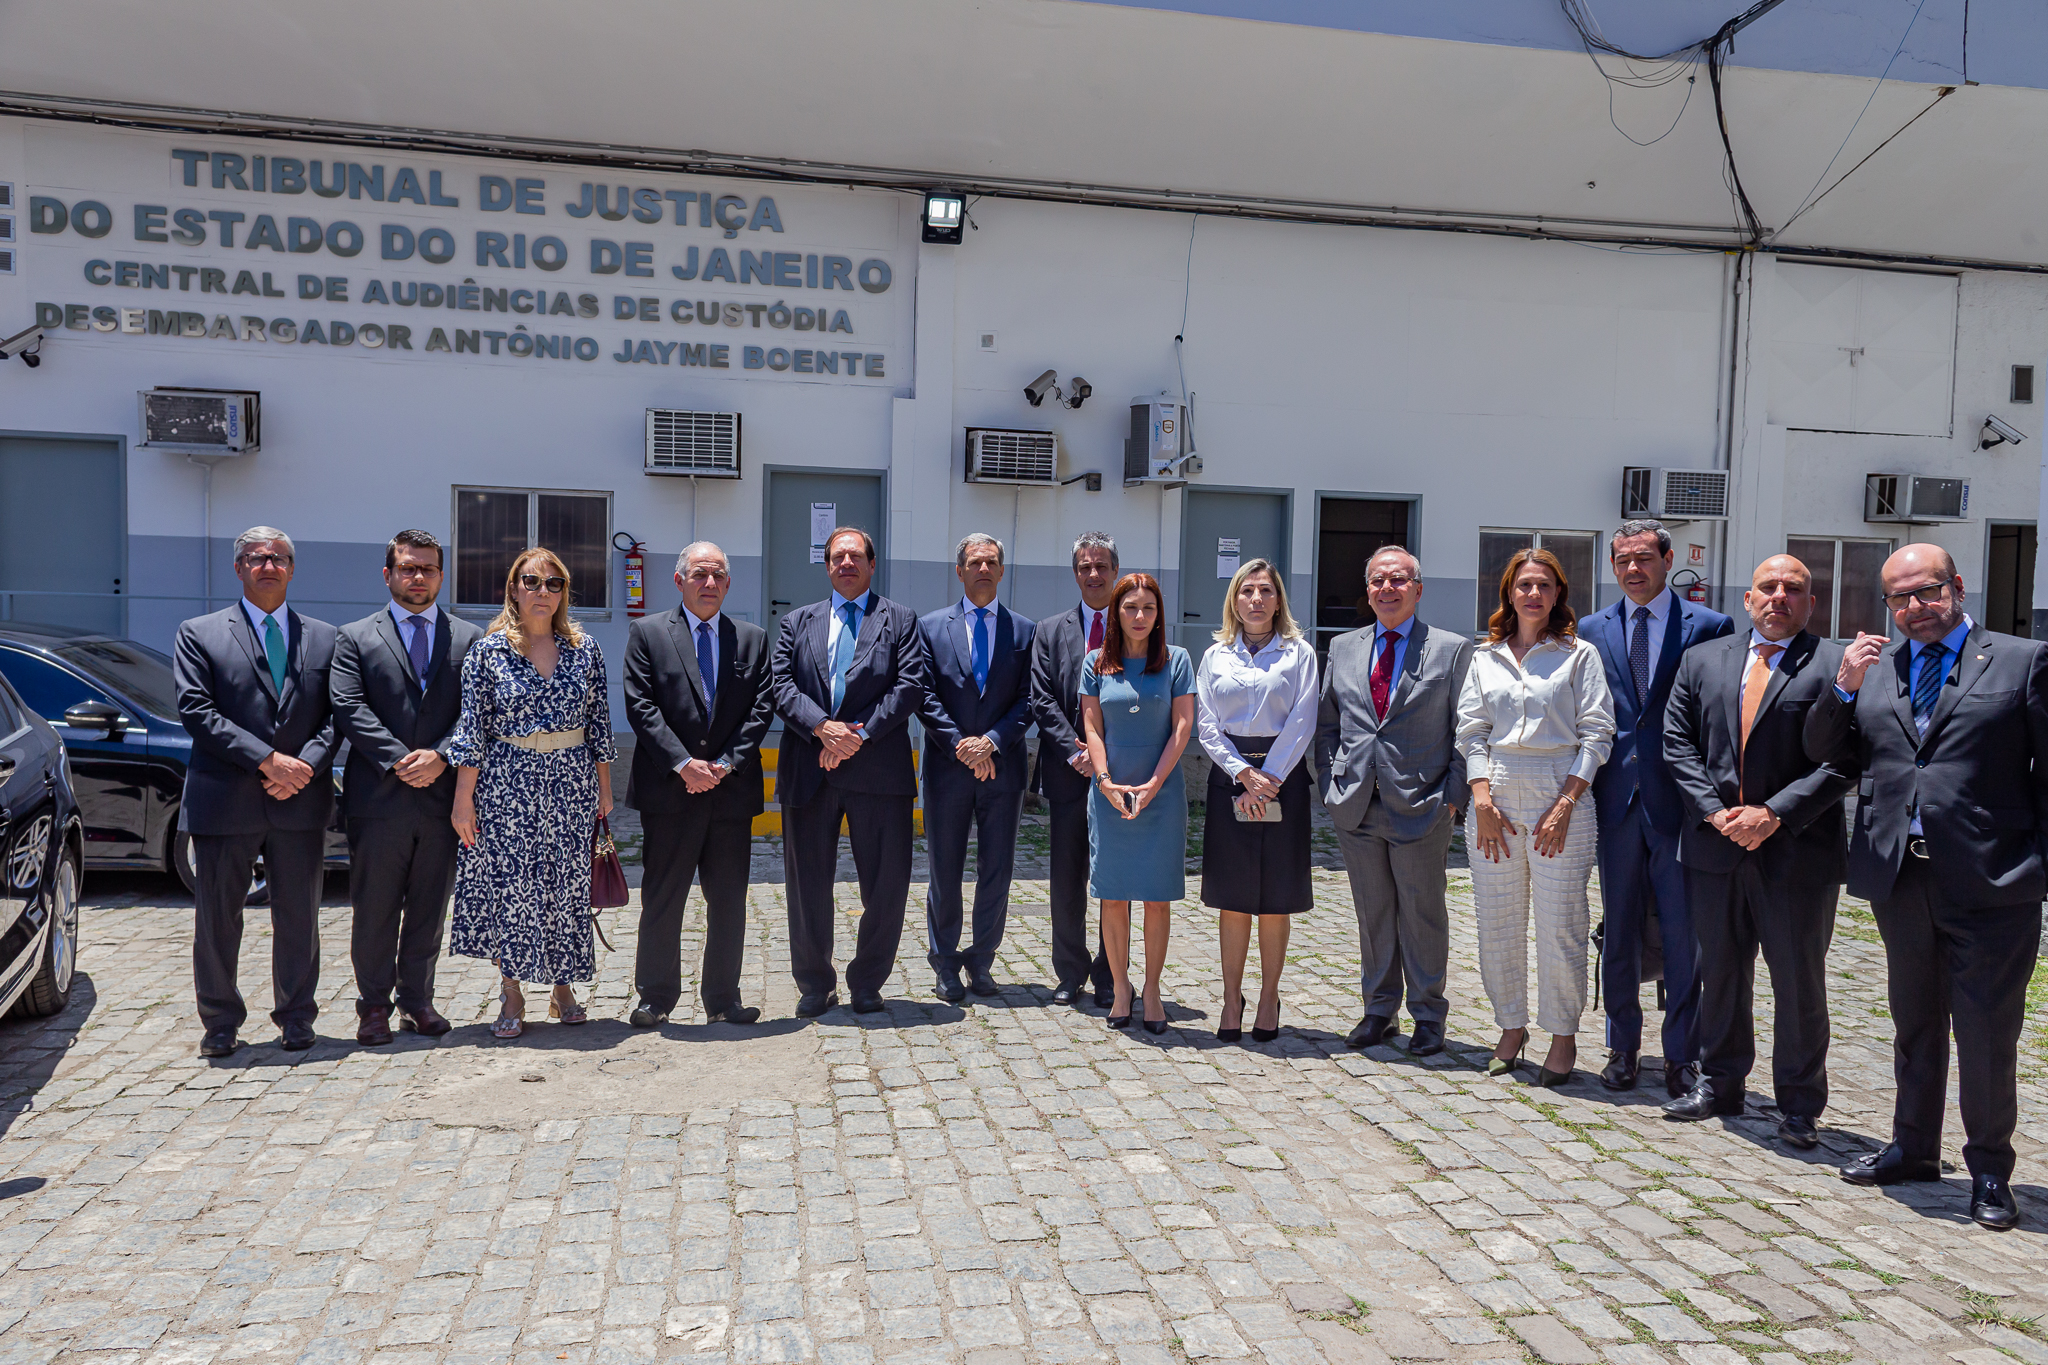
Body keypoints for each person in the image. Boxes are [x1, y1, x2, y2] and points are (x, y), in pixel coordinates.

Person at [1804, 543, 2048, 1229]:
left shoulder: (2022, 661)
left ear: (1957, 587)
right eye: (1901, 598)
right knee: (1914, 1023)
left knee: (1987, 1032)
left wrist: (2038, 867)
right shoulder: (1878, 671)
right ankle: (1912, 1146)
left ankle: (1991, 1169)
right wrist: (1844, 684)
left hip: (1992, 882)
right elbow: (1827, 750)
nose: (1916, 608)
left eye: (1928, 591)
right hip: (1901, 876)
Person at [1661, 555, 1850, 1143]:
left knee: (1797, 982)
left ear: (1810, 603)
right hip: (1715, 847)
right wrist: (1716, 814)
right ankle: (1720, 1083)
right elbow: (1676, 744)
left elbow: (1844, 758)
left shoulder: (1834, 665)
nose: (1779, 597)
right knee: (1719, 971)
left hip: (1794, 852)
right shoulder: (1702, 660)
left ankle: (1798, 1104)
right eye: (1767, 588)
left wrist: (1774, 814)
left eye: (1793, 589)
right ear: (1748, 600)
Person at [1579, 520, 1732, 1096]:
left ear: (1668, 560)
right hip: (1614, 798)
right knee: (1617, 929)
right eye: (1622, 561)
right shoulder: (1591, 629)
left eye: (1644, 557)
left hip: (1681, 803)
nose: (1633, 569)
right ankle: (1622, 1047)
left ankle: (1682, 1056)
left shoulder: (1710, 626)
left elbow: (1716, 713)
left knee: (1682, 932)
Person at [173, 527, 337, 1057]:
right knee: (218, 920)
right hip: (226, 800)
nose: (268, 565)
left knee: (299, 917)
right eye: (255, 557)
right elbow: (196, 710)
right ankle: (219, 1022)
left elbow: (340, 716)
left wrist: (304, 766)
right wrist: (267, 761)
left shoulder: (326, 638)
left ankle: (296, 1016)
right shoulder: (199, 633)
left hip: (301, 799)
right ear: (238, 568)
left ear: (292, 568)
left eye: (278, 557)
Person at [1457, 549, 1615, 1085]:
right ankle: (1509, 1025)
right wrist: (1480, 796)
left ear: (1557, 595)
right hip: (1494, 794)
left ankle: (1562, 1034)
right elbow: (1471, 731)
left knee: (1560, 925)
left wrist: (1568, 801)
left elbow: (1597, 733)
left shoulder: (1579, 655)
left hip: (1560, 791)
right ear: (1508, 591)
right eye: (1524, 584)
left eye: (1544, 585)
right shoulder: (1486, 657)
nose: (1533, 594)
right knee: (1497, 923)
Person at [446, 547, 617, 1040]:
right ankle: (512, 989)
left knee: (566, 885)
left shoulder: (586, 649)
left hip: (571, 780)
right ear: (513, 589)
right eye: (531, 582)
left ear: (564, 592)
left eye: (553, 583)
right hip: (507, 781)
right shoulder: (488, 651)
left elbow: (599, 724)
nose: (542, 592)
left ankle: (562, 986)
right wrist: (463, 800)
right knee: (515, 889)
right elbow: (472, 730)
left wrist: (604, 788)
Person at [1316, 546, 1472, 1054]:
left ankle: (1428, 1015)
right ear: (1368, 591)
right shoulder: (1342, 647)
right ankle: (1379, 1010)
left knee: (1422, 913)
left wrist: (1453, 796)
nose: (1388, 589)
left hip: (1423, 807)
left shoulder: (1450, 650)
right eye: (1379, 581)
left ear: (1418, 589)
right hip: (1357, 804)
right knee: (1374, 913)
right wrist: (1331, 783)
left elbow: (1467, 731)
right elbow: (1327, 724)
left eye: (1399, 580)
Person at [330, 529, 482, 1046]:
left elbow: (478, 713)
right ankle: (372, 1007)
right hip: (378, 798)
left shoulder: (469, 639)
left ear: (441, 575)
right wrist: (400, 760)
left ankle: (417, 1001)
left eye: (428, 569)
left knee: (428, 907)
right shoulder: (354, 637)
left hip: (443, 799)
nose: (418, 577)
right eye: (407, 567)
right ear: (388, 574)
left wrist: (441, 755)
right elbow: (349, 706)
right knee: (374, 908)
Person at [771, 526, 929, 1017]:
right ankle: (815, 983)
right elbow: (778, 684)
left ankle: (867, 981)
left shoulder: (900, 619)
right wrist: (822, 728)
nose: (846, 564)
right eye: (837, 557)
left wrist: (856, 736)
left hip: (878, 770)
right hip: (810, 766)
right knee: (807, 884)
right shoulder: (797, 622)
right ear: (826, 565)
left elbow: (910, 686)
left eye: (855, 556)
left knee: (886, 883)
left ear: (871, 564)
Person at [621, 541, 773, 1027]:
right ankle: (655, 997)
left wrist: (725, 765)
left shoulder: (751, 638)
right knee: (663, 896)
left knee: (727, 899)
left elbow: (761, 709)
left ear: (729, 583)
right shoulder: (647, 633)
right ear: (680, 580)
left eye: (719, 575)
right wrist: (684, 763)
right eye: (700, 574)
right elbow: (640, 707)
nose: (710, 583)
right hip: (670, 791)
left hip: (730, 793)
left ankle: (724, 999)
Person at [1197, 559, 1317, 1043]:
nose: (1256, 600)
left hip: (1283, 776)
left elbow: (1304, 718)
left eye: (1265, 591)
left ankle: (1268, 996)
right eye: (1247, 591)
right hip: (1231, 776)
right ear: (1234, 599)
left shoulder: (1299, 653)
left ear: (1278, 599)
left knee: (1274, 900)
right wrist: (1243, 774)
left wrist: (1269, 777)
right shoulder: (1215, 656)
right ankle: (1231, 997)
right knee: (1233, 899)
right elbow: (1205, 722)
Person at [917, 534, 1037, 1002]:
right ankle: (945, 962)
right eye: (974, 562)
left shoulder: (1025, 631)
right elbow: (922, 694)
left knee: (997, 868)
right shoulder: (930, 628)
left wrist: (991, 742)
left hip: (1002, 769)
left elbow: (1030, 698)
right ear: (959, 570)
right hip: (948, 769)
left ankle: (982, 960)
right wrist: (961, 745)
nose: (983, 568)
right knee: (944, 869)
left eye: (991, 562)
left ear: (1002, 571)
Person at [1080, 572, 1196, 1034]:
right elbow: (1092, 727)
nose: (1140, 616)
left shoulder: (1178, 660)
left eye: (1148, 608)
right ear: (1116, 612)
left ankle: (1152, 990)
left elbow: (1183, 727)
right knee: (1112, 896)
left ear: (1159, 614)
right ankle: (1122, 987)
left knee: (1156, 898)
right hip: (1109, 794)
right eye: (1130, 608)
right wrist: (1106, 782)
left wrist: (1152, 784)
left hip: (1160, 794)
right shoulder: (1095, 662)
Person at [1029, 532, 1120, 1008]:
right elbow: (1041, 699)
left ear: (1115, 571)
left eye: (1101, 566)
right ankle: (1070, 972)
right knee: (1066, 878)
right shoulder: (1049, 630)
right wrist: (1076, 750)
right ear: (1075, 573)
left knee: (1111, 877)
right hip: (1068, 771)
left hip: (1121, 775)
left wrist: (1107, 758)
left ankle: (1109, 973)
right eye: (1085, 566)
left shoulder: (1136, 624)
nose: (1093, 574)